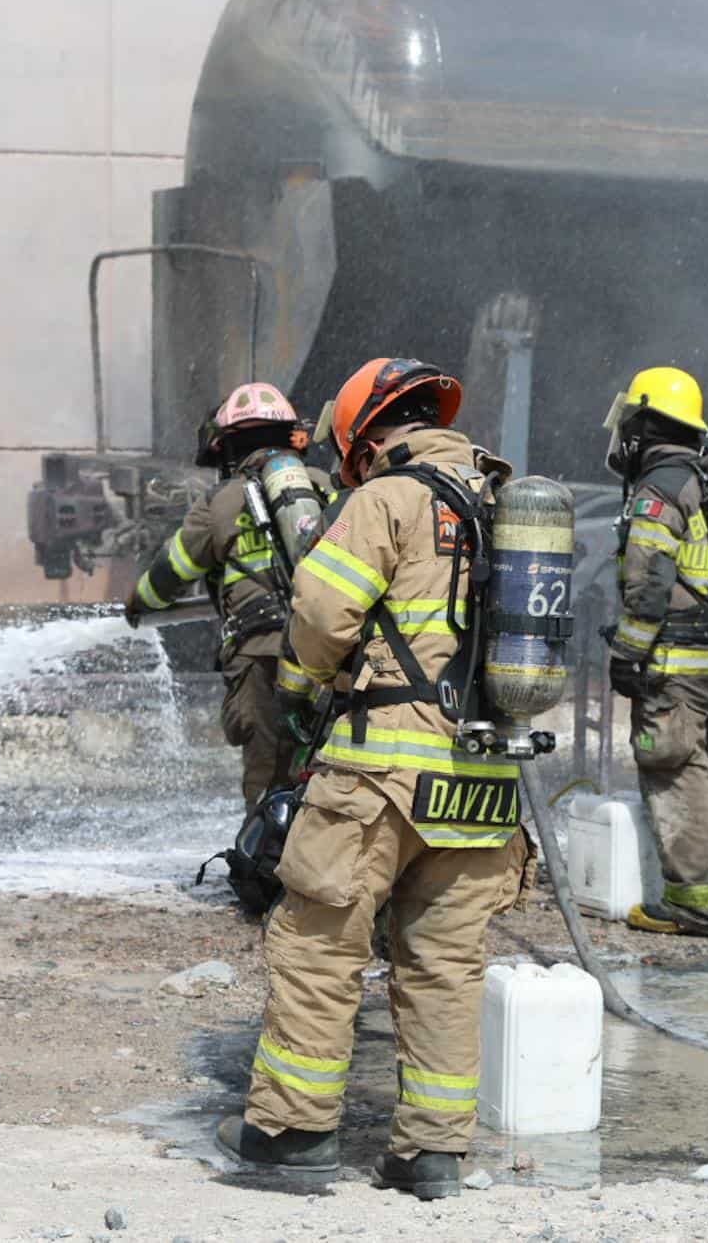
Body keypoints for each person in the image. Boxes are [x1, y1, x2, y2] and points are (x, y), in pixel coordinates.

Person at [215, 357, 529, 1201]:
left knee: (321, 946)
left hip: (381, 767)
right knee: (445, 964)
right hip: (484, 781)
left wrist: (296, 690)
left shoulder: (386, 499)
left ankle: (291, 1135)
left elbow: (319, 619)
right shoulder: (509, 504)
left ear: (363, 435)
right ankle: (431, 1153)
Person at [125, 382, 332, 812]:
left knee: (267, 762)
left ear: (226, 448)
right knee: (325, 756)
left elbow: (172, 573)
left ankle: (266, 860)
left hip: (261, 653)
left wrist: (137, 604)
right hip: (327, 646)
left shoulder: (221, 503)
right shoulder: (323, 487)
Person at [603, 366, 708, 938]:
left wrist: (627, 654)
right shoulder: (705, 478)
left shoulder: (661, 486)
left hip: (678, 665)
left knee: (675, 772)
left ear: (645, 422)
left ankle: (694, 907)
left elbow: (648, 580)